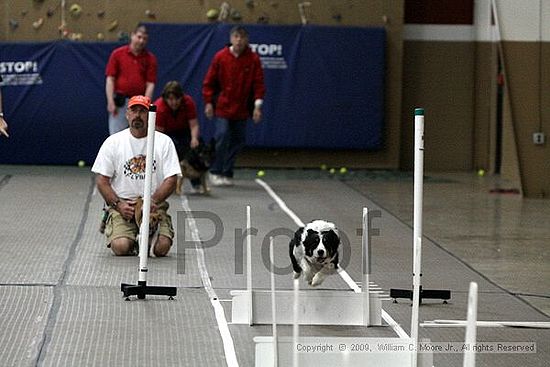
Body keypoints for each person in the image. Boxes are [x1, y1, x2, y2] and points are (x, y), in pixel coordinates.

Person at [92, 95, 181, 257]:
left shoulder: (164, 142)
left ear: (151, 115)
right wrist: (118, 205)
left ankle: (152, 234)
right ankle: (132, 238)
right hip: (123, 205)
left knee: (161, 249)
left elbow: (172, 179)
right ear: (127, 114)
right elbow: (102, 180)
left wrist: (153, 201)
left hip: (155, 205)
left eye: (143, 111)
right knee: (121, 247)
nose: (137, 115)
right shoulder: (113, 142)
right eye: (134, 111)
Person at [202, 25, 266, 186]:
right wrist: (209, 102)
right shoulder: (220, 57)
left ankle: (227, 171)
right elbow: (209, 82)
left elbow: (258, 84)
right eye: (236, 36)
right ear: (231, 39)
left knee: (238, 141)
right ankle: (215, 170)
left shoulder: (253, 59)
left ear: (247, 40)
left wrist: (257, 107)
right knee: (222, 136)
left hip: (242, 108)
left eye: (242, 37)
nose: (239, 40)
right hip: (223, 106)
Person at [105, 25, 157, 135]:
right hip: (121, 102)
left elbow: (150, 84)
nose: (141, 41)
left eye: (144, 39)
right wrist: (110, 101)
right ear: (132, 36)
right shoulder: (117, 54)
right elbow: (110, 79)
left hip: (139, 102)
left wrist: (146, 103)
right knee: (116, 135)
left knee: (139, 134)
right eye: (139, 37)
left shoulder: (150, 59)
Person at [154, 81, 201, 191]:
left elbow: (194, 124)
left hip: (183, 129)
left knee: (192, 151)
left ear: (181, 97)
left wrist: (194, 139)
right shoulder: (160, 107)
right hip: (165, 132)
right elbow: (159, 134)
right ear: (165, 98)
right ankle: (167, 181)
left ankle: (196, 181)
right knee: (171, 151)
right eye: (170, 99)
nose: (174, 102)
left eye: (176, 99)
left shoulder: (188, 103)